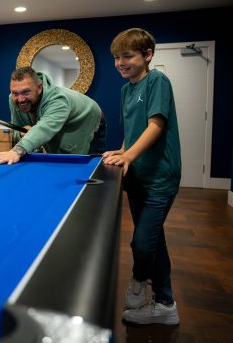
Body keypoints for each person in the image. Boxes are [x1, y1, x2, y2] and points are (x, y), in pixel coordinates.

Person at [103, 28, 181, 325]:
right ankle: (165, 304)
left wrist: (128, 156)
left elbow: (155, 125)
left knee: (144, 243)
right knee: (154, 240)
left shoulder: (157, 81)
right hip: (137, 176)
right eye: (116, 57)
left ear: (148, 55)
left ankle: (139, 278)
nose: (120, 63)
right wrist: (122, 151)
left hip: (160, 176)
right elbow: (132, 129)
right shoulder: (126, 90)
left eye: (127, 56)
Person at [0, 66, 105, 165]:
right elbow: (17, 129)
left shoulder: (58, 100)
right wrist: (21, 133)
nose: (20, 99)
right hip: (55, 123)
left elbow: (45, 128)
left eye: (26, 92)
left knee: (74, 160)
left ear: (39, 88)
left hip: (87, 118)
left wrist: (16, 151)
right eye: (15, 93)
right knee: (55, 156)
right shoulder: (13, 99)